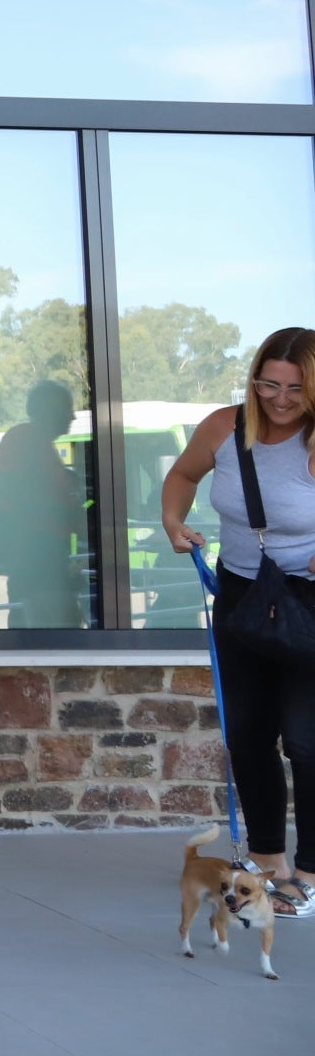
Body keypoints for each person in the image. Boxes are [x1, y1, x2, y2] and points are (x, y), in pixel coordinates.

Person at [162, 324, 315, 919]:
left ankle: (308, 873)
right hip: (241, 594)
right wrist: (176, 523)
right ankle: (268, 862)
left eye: (295, 388)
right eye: (269, 384)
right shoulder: (223, 428)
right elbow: (181, 476)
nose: (279, 398)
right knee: (248, 734)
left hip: (308, 599)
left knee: (306, 739)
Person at [0, 380, 88, 629]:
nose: (72, 416)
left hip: (34, 559)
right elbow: (48, 499)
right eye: (67, 408)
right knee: (62, 630)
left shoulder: (27, 441)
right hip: (40, 560)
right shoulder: (28, 442)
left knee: (33, 627)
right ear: (48, 410)